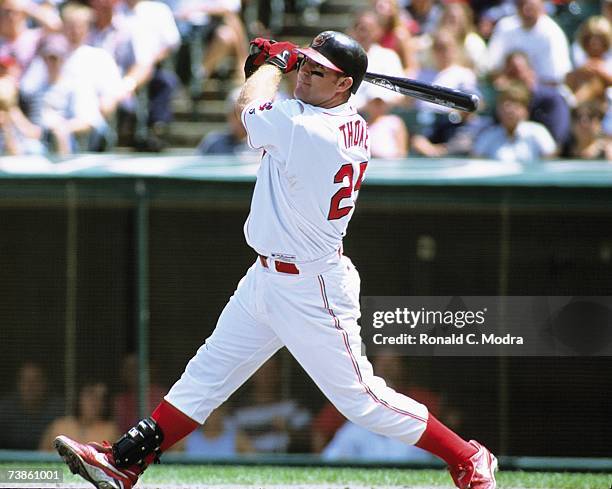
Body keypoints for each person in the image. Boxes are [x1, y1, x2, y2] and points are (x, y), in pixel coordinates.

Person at [53, 31, 498, 489]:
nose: (303, 74)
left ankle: (467, 456)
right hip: (266, 278)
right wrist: (277, 66)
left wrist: (271, 65)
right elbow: (266, 105)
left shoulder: (310, 129)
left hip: (313, 286)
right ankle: (125, 462)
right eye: (303, 65)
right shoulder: (330, 118)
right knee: (204, 375)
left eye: (316, 70)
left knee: (363, 401)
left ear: (344, 84)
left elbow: (248, 108)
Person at [486, 0, 571, 86]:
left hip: (543, 91)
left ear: (541, 6)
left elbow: (555, 78)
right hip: (509, 89)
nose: (525, 9)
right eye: (521, 4)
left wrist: (528, 83)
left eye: (530, 6)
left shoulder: (552, 32)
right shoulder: (505, 26)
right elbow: (491, 67)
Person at [472, 82, 556, 162]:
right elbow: (477, 162)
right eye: (505, 104)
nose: (508, 110)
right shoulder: (488, 136)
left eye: (515, 104)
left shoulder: (539, 132)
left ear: (525, 109)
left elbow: (550, 162)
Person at [0, 362, 63, 449]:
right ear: (18, 384)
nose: (30, 386)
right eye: (25, 380)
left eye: (35, 380)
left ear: (44, 384)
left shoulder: (58, 410)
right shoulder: (5, 409)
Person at [39, 382, 119, 451]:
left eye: (101, 398)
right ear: (79, 397)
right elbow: (40, 461)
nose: (95, 402)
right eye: (90, 395)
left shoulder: (111, 431)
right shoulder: (58, 427)